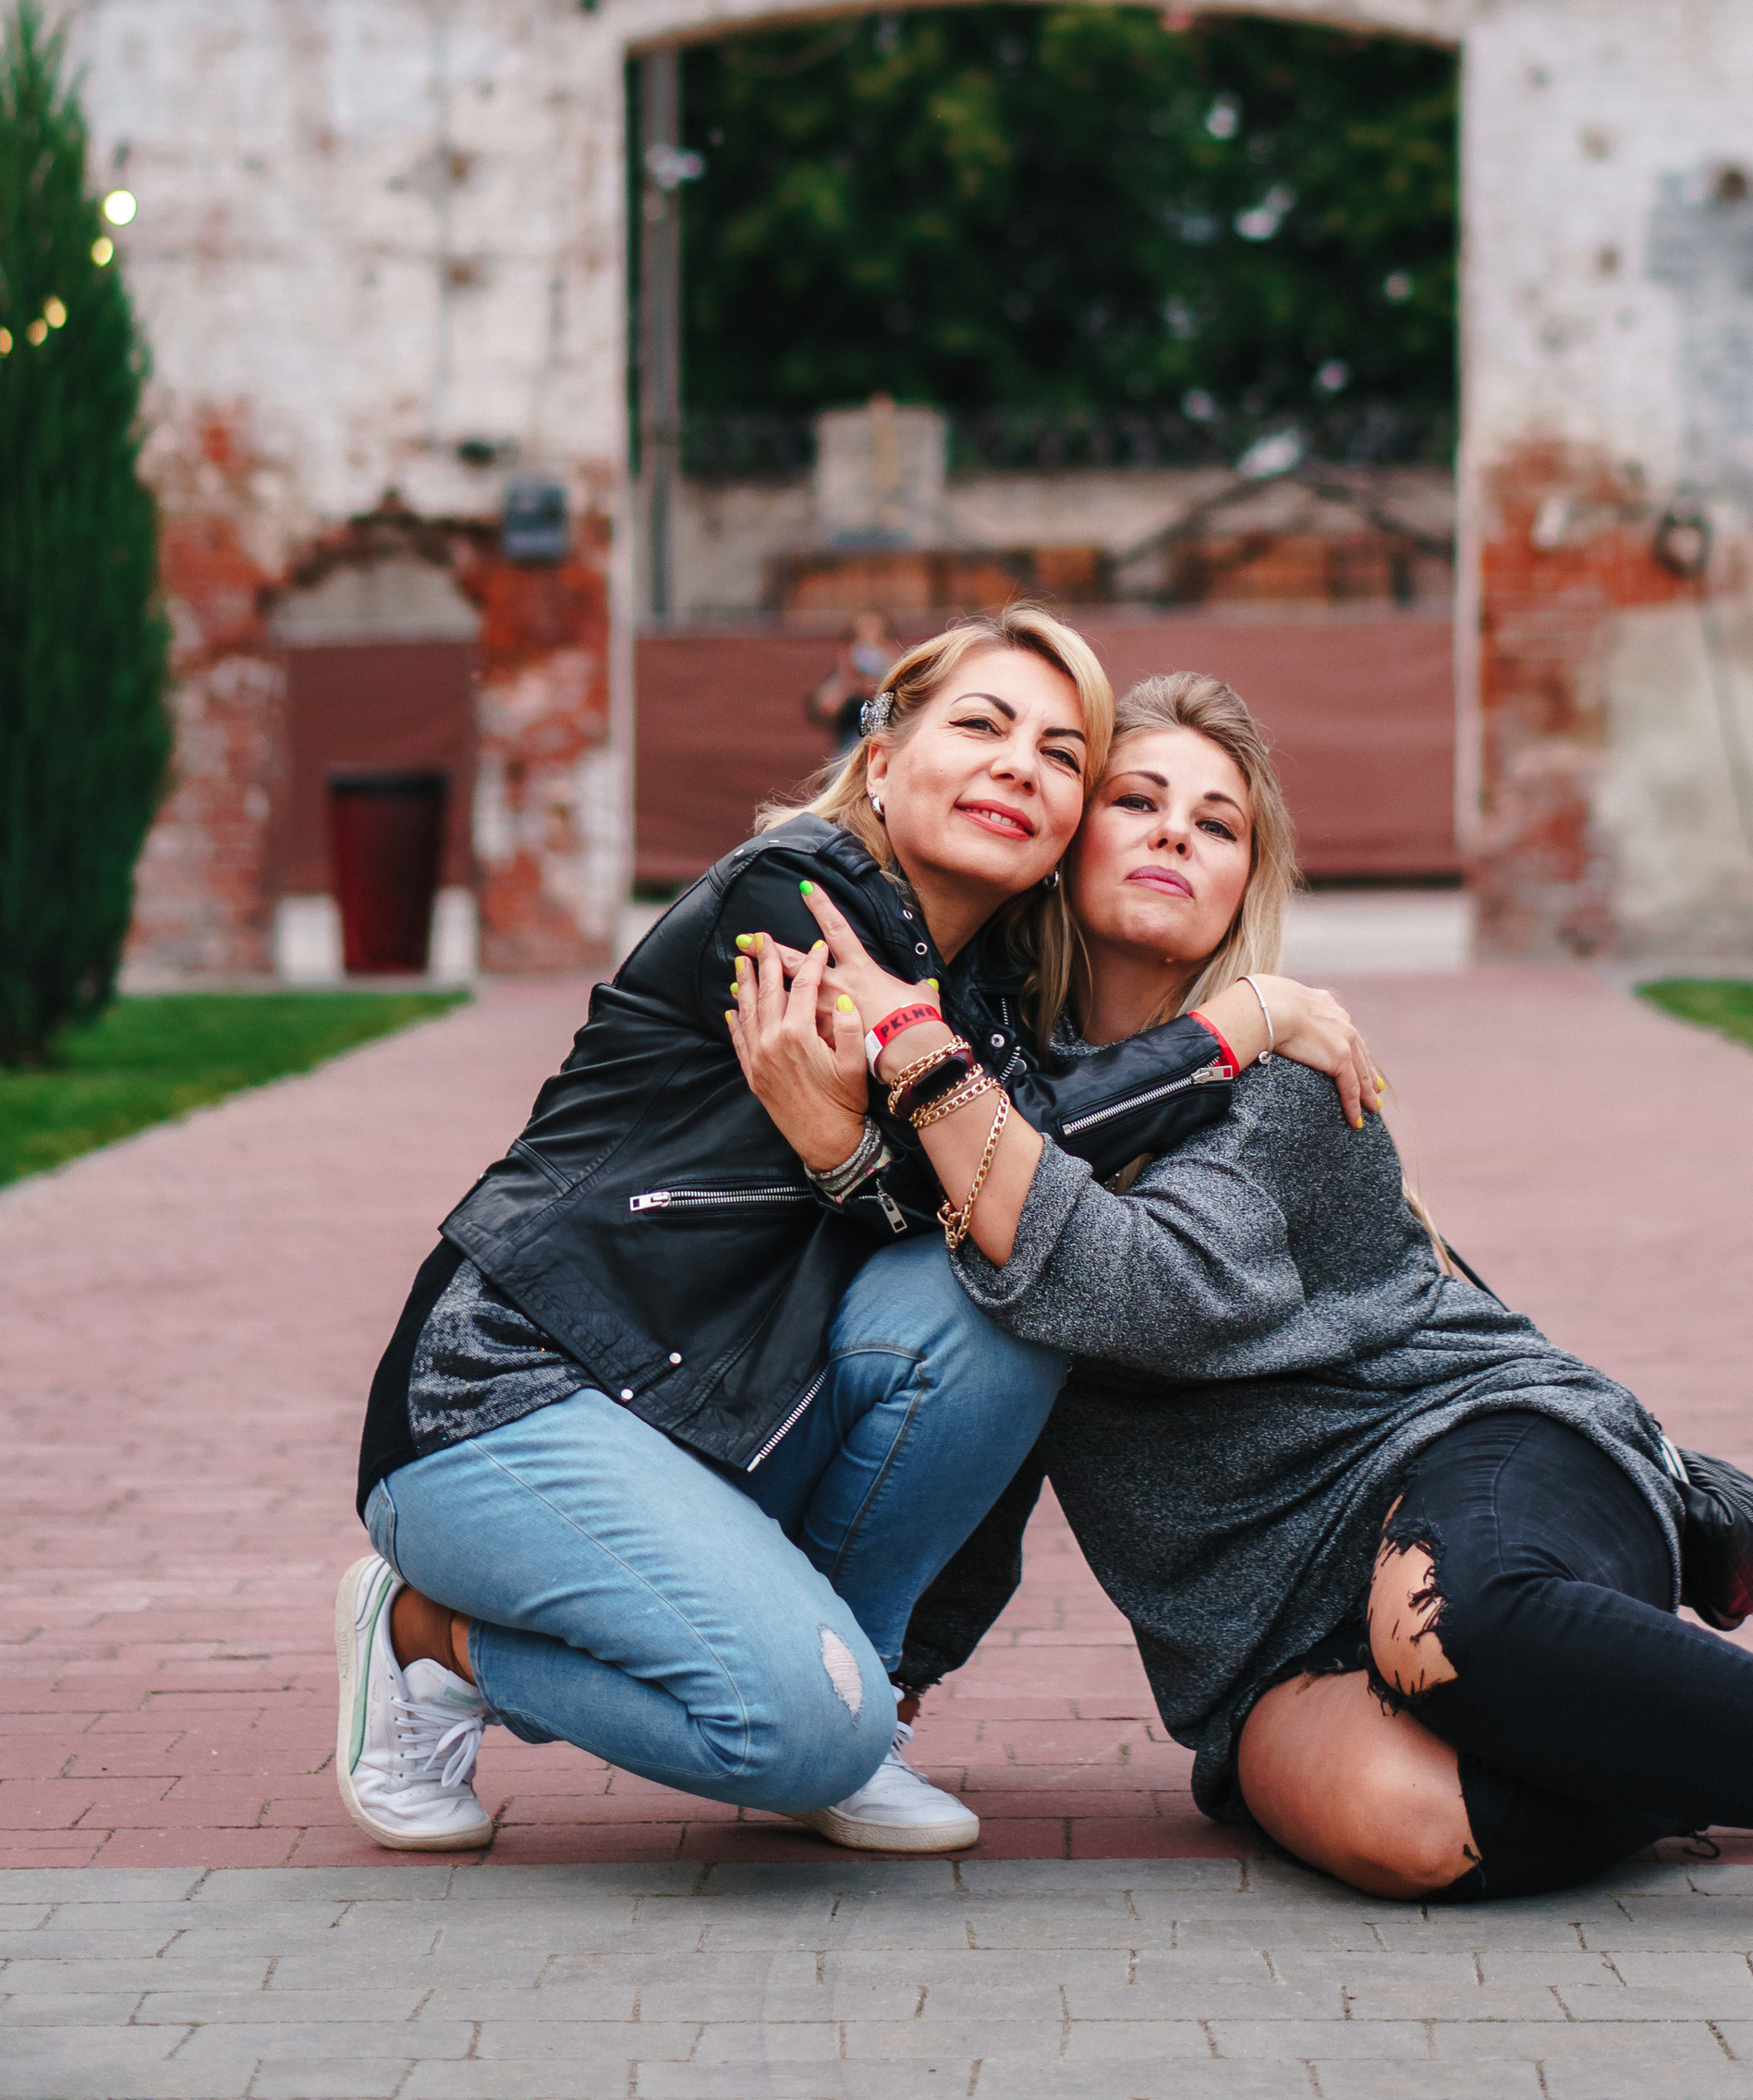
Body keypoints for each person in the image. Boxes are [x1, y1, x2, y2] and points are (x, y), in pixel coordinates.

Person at [730, 669, 1753, 1931]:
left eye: (1216, 825)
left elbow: (1143, 1293)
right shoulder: (1000, 1095)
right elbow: (984, 1410)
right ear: (1068, 838)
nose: (1171, 835)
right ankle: (1704, 1720)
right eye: (1135, 798)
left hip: (1472, 1448)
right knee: (1416, 1835)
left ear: (1241, 891)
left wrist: (928, 1074)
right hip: (1260, 1625)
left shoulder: (1273, 1080)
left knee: (1459, 1628)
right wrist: (884, 1684)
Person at [336, 614, 1377, 1862]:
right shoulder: (794, 894)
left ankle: (853, 1699)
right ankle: (426, 1640)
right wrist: (1237, 1023)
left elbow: (988, 1187)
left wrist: (847, 1149)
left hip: (707, 1415)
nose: (1018, 766)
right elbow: (1017, 1136)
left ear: (1061, 829)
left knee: (992, 1287)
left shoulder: (972, 991)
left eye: (1058, 754)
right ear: (882, 758)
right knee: (791, 1733)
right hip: (511, 1397)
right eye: (980, 726)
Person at [807, 610, 895, 755]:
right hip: (848, 752)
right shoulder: (844, 675)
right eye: (860, 636)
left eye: (876, 636)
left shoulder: (897, 676)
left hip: (885, 752)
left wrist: (889, 676)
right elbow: (826, 709)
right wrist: (848, 678)